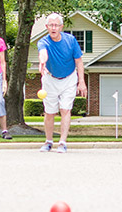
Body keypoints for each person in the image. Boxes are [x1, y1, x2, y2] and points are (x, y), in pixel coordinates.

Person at [37, 12, 87, 153]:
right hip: (50, 78)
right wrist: (42, 62)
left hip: (69, 78)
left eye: (56, 25)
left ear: (61, 27)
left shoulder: (70, 40)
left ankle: (62, 142)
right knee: (49, 112)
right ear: (47, 27)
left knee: (65, 109)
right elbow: (43, 53)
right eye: (51, 25)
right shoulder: (43, 41)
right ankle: (48, 141)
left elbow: (79, 62)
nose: (53, 28)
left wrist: (81, 82)